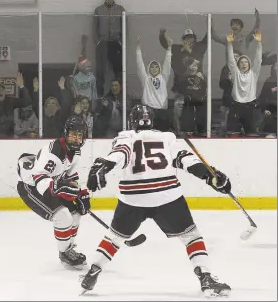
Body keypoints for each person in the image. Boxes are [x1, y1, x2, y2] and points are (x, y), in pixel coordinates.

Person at [80, 104, 232, 297]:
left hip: (133, 198)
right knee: (191, 236)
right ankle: (206, 277)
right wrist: (210, 176)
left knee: (114, 238)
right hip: (167, 195)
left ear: (132, 121)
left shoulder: (125, 136)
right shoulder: (166, 137)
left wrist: (102, 168)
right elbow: (186, 160)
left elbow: (119, 155)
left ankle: (93, 271)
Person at [16, 116, 91, 269]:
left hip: (52, 183)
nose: (76, 138)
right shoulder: (54, 152)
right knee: (62, 215)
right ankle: (64, 253)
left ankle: (68, 248)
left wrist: (82, 192)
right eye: (73, 134)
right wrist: (57, 188)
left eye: (79, 135)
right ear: (66, 133)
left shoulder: (75, 151)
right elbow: (39, 179)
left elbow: (72, 176)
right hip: (31, 187)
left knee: (76, 212)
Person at [226, 29, 262, 137]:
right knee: (232, 135)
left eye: (246, 61)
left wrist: (259, 43)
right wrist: (229, 43)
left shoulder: (253, 73)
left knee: (252, 135)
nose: (244, 63)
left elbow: (258, 59)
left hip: (250, 107)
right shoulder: (236, 73)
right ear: (238, 64)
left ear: (249, 64)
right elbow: (231, 59)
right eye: (241, 62)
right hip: (236, 106)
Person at [93, 0, 125, 97]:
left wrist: (122, 42)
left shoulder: (121, 9)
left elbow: (125, 27)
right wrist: (97, 42)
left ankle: (120, 96)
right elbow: (94, 27)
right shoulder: (98, 10)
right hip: (102, 43)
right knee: (101, 71)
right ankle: (100, 95)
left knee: (119, 70)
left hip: (116, 43)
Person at [136, 35, 172, 131]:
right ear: (149, 69)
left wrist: (169, 48)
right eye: (152, 67)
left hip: (162, 112)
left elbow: (167, 64)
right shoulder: (146, 79)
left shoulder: (163, 78)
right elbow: (140, 65)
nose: (154, 68)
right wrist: (138, 49)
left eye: (156, 67)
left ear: (159, 69)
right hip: (148, 111)